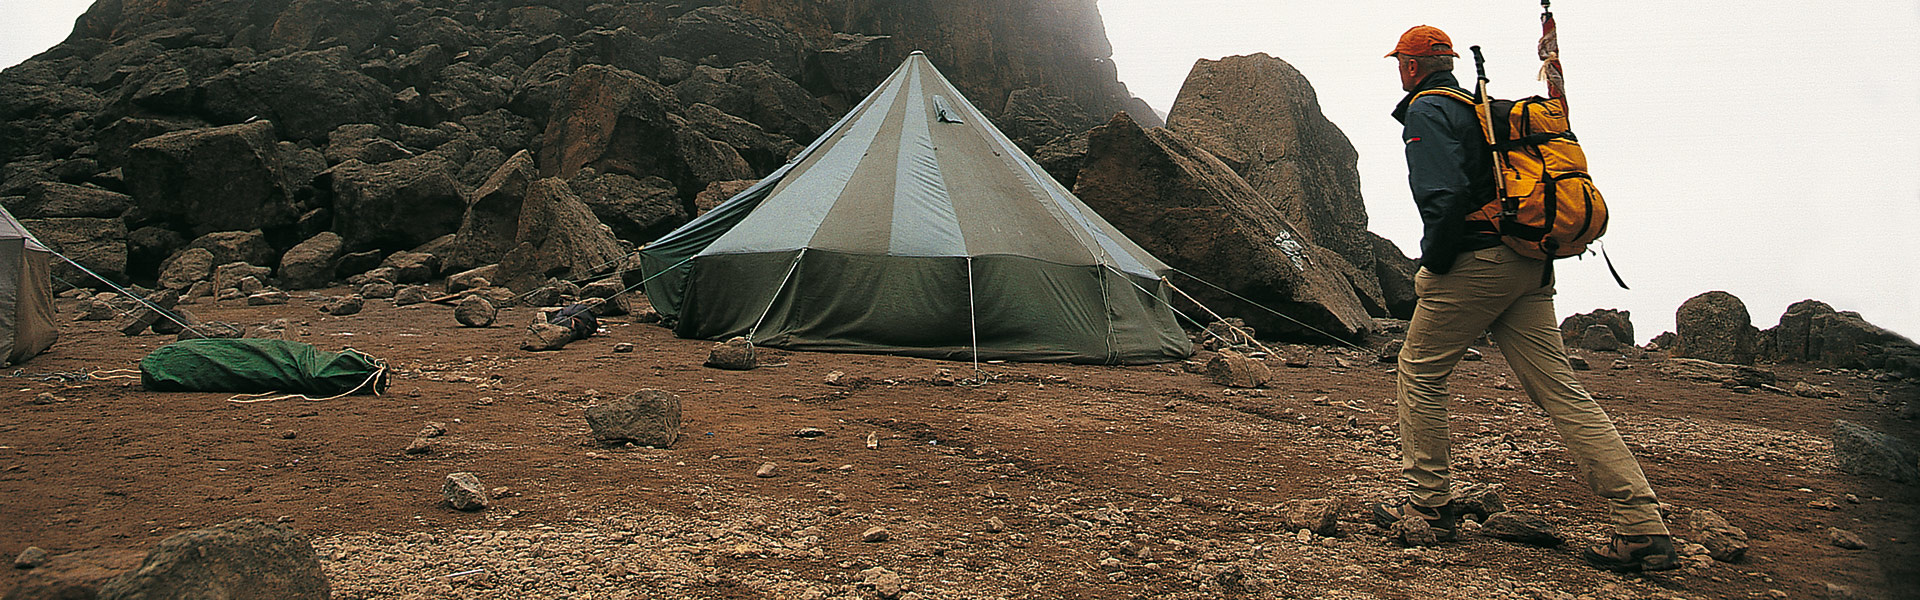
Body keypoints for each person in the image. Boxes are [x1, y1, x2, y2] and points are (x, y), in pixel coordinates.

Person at [1372, 25, 1678, 573]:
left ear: (1412, 67)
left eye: (1401, 62)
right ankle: (1643, 528)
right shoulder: (1485, 110)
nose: (1400, 69)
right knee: (1560, 390)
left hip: (1477, 259)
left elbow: (1441, 197)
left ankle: (1429, 507)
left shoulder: (1427, 111)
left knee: (1418, 370)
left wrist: (1434, 266)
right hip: (1530, 261)